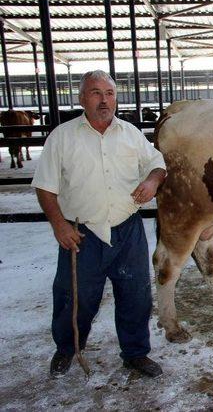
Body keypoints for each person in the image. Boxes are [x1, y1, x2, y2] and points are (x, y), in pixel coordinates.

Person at [32, 70, 167, 378]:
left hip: (127, 229)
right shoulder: (62, 137)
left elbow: (157, 163)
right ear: (82, 99)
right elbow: (45, 186)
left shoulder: (130, 133)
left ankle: (135, 353)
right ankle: (67, 348)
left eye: (109, 93)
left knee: (136, 295)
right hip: (81, 232)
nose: (104, 100)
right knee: (74, 296)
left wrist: (152, 180)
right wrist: (59, 226)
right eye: (96, 93)